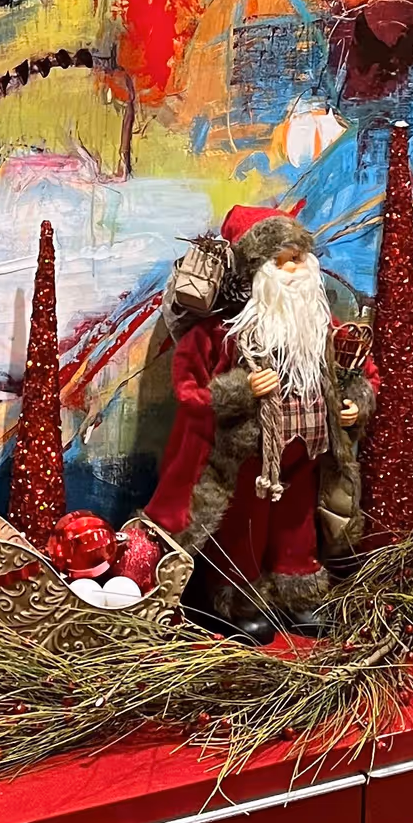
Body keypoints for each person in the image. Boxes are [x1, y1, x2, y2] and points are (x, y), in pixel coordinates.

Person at [141, 206, 376, 638]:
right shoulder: (225, 332)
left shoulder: (320, 325)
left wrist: (355, 403)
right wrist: (241, 388)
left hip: (306, 449)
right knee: (245, 527)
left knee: (296, 525)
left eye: (298, 258)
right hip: (249, 457)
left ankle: (297, 591)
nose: (294, 269)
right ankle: (238, 597)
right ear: (255, 269)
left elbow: (356, 369)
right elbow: (190, 387)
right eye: (281, 261)